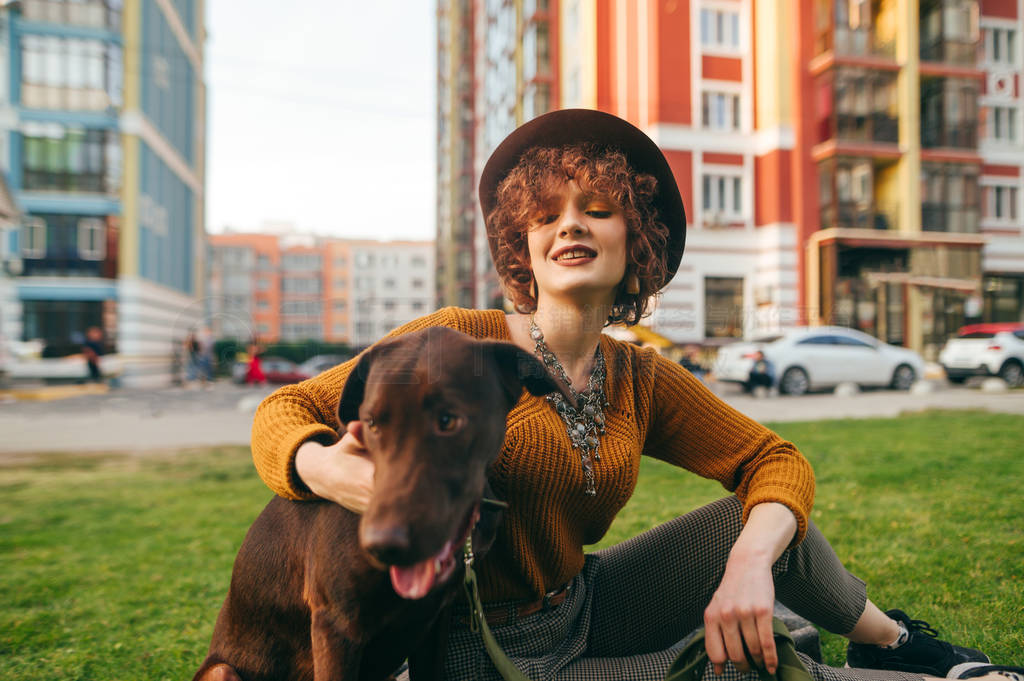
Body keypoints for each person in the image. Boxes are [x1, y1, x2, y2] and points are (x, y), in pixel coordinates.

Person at [248, 110, 1015, 681]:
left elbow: (773, 458)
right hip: (486, 653)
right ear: (523, 245)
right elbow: (283, 411)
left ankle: (891, 644)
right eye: (545, 216)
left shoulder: (637, 375)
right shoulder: (458, 340)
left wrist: (750, 560)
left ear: (635, 237)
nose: (568, 227)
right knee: (740, 669)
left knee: (770, 522)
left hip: (589, 605)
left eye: (596, 209)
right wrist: (336, 471)